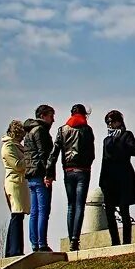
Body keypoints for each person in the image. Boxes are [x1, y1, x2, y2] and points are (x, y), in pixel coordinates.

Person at [49, 103, 95, 251]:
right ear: (84, 115)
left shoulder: (62, 130)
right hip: (83, 171)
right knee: (80, 205)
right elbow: (92, 153)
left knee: (71, 205)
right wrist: (87, 164)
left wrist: (49, 173)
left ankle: (71, 239)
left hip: (68, 170)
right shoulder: (87, 130)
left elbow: (54, 153)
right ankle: (75, 239)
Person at [99, 110, 135, 246]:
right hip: (109, 179)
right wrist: (102, 181)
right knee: (109, 212)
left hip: (124, 177)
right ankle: (115, 242)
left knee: (124, 210)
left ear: (119, 121)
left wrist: (119, 141)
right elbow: (104, 160)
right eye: (108, 122)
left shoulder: (126, 135)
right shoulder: (107, 140)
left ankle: (127, 241)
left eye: (112, 121)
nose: (110, 125)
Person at [22, 104, 56, 253]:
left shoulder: (29, 131)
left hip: (31, 175)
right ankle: (42, 243)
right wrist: (48, 174)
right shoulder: (41, 131)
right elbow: (45, 155)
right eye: (51, 116)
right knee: (43, 210)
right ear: (43, 116)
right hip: (40, 174)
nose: (53, 120)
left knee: (35, 211)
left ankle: (35, 243)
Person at [0, 120, 30, 258]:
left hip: (20, 183)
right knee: (16, 215)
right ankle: (14, 250)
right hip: (14, 183)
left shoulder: (16, 146)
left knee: (18, 215)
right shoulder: (8, 147)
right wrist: (29, 158)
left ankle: (13, 249)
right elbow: (18, 165)